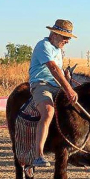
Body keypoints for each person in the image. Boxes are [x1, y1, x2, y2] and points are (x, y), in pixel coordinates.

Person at [29, 19, 78, 167]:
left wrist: (67, 78)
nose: (67, 41)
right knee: (48, 111)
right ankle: (39, 155)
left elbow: (60, 70)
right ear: (54, 34)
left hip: (57, 86)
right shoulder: (43, 45)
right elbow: (53, 68)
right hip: (41, 84)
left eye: (68, 38)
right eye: (65, 37)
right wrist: (68, 89)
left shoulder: (58, 50)